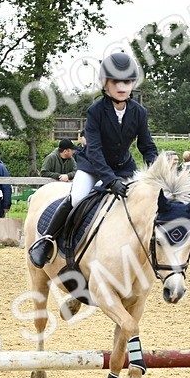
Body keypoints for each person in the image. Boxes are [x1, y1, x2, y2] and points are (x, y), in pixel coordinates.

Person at [28, 51, 157, 267]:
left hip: (124, 169)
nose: (122, 86)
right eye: (116, 81)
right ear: (105, 84)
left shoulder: (139, 112)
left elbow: (147, 147)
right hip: (92, 168)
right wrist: (109, 180)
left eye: (127, 81)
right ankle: (47, 240)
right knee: (78, 197)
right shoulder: (95, 111)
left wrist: (157, 172)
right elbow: (95, 150)